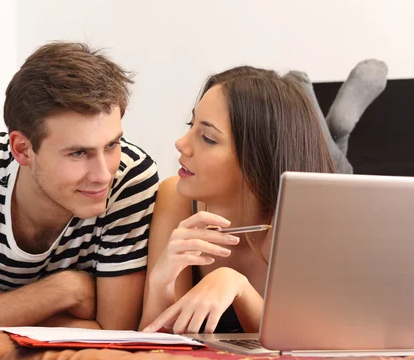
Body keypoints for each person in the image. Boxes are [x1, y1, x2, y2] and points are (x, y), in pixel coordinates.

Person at [0, 42, 159, 330]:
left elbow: (114, 333)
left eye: (112, 145)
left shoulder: (130, 177)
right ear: (22, 149)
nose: (102, 175)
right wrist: (65, 291)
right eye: (78, 153)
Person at [140, 66, 335, 334]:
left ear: (258, 159)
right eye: (191, 125)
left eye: (208, 138)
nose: (181, 144)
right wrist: (160, 284)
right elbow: (153, 346)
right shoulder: (176, 198)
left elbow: (304, 345)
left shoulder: (304, 221)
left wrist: (237, 286)